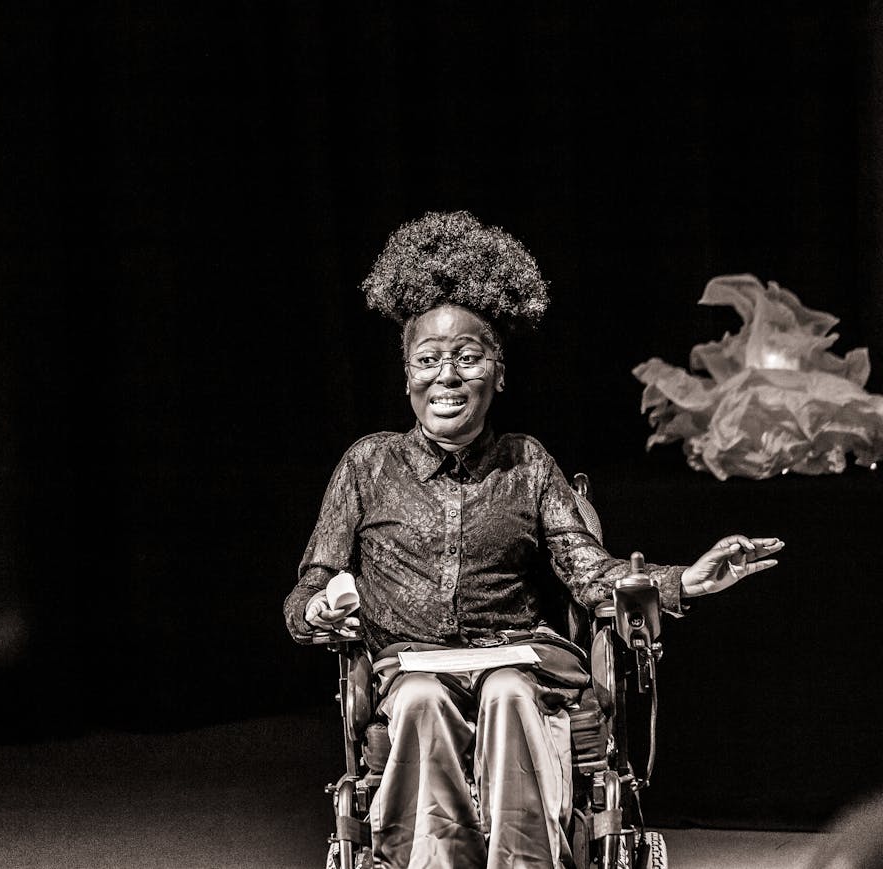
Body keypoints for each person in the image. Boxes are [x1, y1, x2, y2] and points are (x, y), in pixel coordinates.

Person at [283, 210, 784, 869]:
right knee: (421, 700)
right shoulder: (368, 465)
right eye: (428, 360)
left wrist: (682, 579)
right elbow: (308, 589)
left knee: (510, 692)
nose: (447, 376)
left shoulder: (526, 462)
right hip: (408, 667)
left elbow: (588, 571)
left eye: (468, 357)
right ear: (407, 376)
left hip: (517, 662)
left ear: (499, 372)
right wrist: (320, 608)